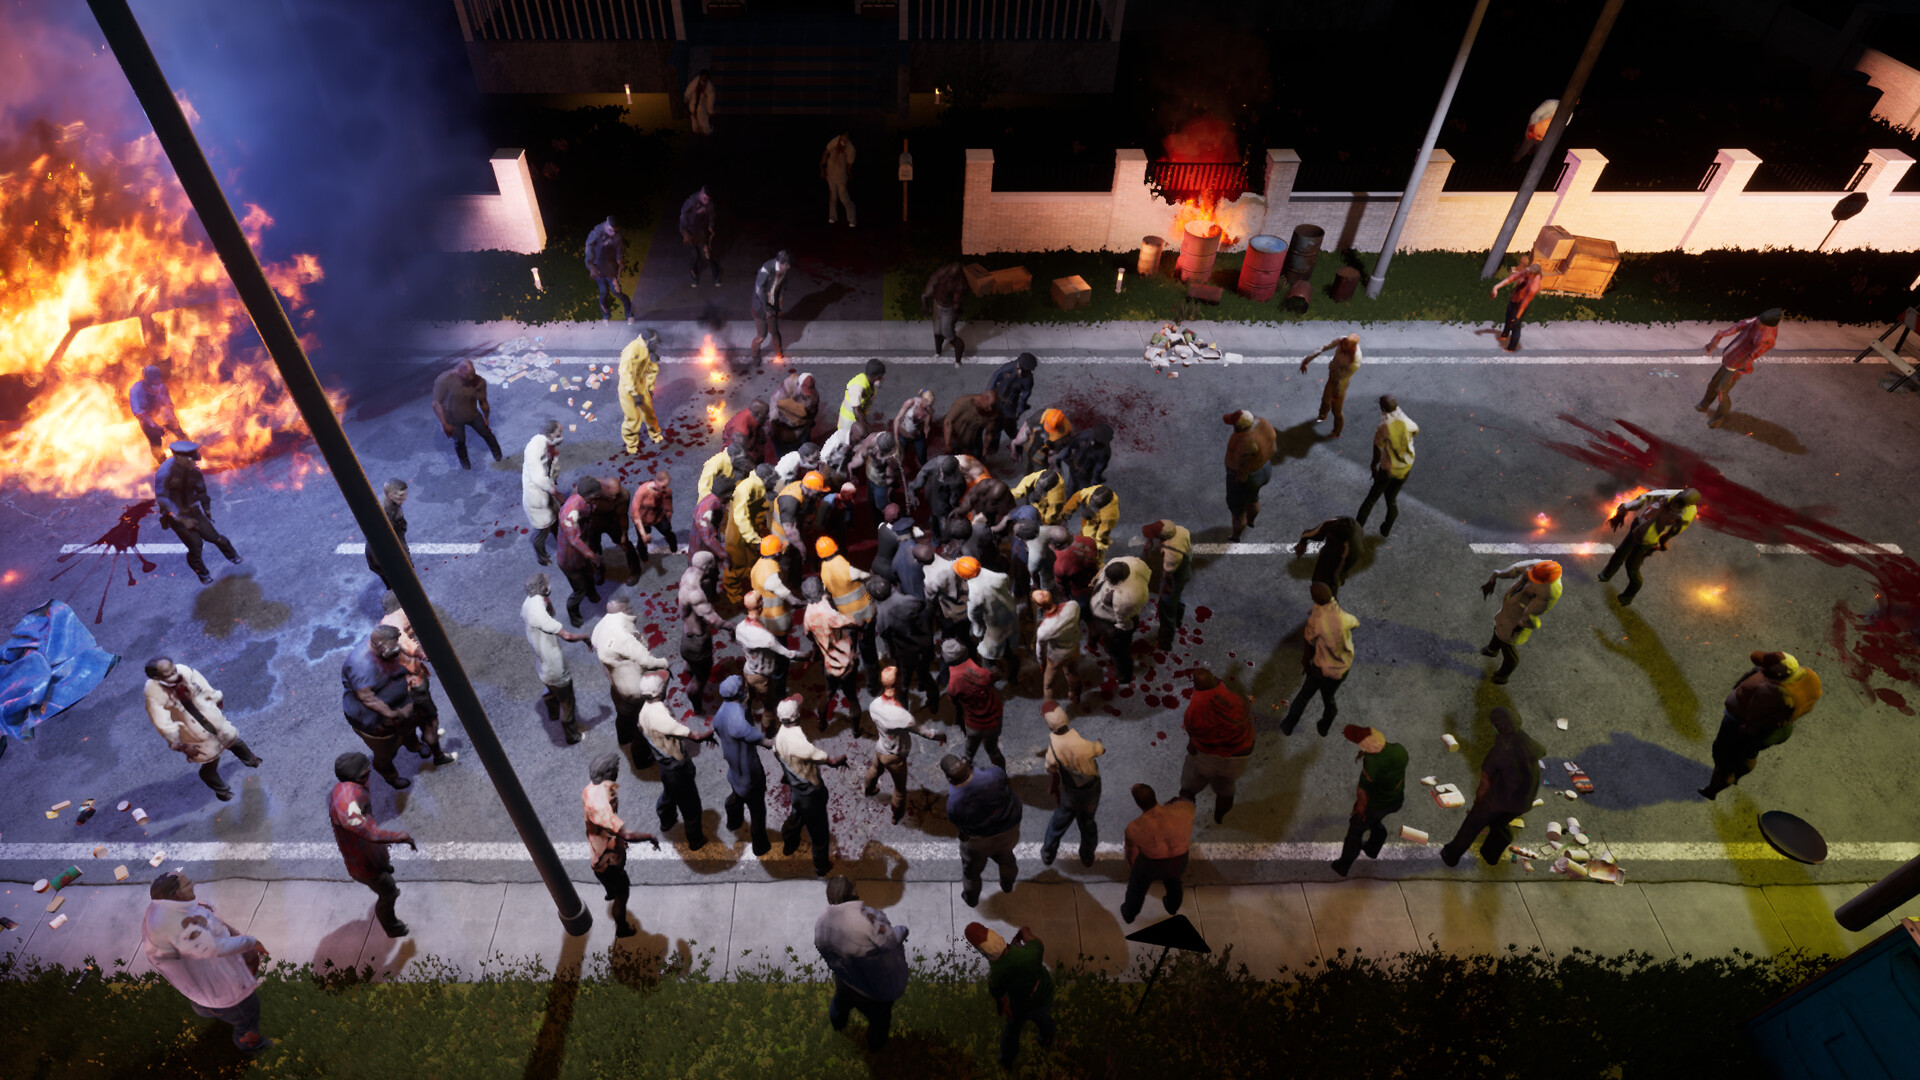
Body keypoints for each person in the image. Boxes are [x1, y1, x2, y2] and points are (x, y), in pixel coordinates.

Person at [142, 870, 272, 1054]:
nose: (193, 885)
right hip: (226, 995)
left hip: (201, 993)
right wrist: (251, 942)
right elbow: (214, 948)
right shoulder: (179, 925)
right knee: (248, 1014)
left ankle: (217, 1014)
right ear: (176, 893)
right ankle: (252, 1045)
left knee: (211, 1007)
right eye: (188, 884)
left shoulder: (159, 910)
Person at [1700, 651, 1823, 799]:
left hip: (1747, 727)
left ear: (1776, 675)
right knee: (1747, 754)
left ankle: (1713, 790)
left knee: (1724, 759)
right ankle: (1738, 772)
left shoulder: (1773, 692)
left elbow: (1755, 716)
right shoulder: (1809, 675)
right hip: (1780, 729)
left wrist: (1746, 729)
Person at [144, 656, 262, 801]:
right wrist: (178, 744)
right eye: (169, 674)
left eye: (174, 670)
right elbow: (162, 723)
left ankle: (251, 760)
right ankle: (222, 790)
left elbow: (204, 686)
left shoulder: (185, 671)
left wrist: (215, 698)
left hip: (210, 717)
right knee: (210, 763)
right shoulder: (154, 694)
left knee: (234, 741)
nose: (175, 675)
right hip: (193, 731)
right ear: (157, 677)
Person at [815, 877, 910, 1051]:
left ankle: (837, 1024)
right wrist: (902, 930)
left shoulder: (821, 923)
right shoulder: (866, 921)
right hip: (874, 991)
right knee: (880, 1021)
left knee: (840, 1003)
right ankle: (875, 1048)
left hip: (845, 981)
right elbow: (889, 940)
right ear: (853, 893)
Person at [1440, 708, 1542, 867]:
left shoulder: (1501, 749)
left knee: (1472, 825)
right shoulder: (1526, 741)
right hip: (1523, 801)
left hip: (1499, 800)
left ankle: (1451, 855)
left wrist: (1479, 799)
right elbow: (1540, 753)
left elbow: (1485, 780)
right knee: (1499, 822)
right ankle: (1490, 854)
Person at [328, 751, 415, 937]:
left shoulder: (350, 787)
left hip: (369, 852)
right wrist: (400, 837)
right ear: (355, 776)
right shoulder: (347, 806)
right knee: (389, 892)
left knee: (384, 868)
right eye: (365, 774)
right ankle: (392, 927)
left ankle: (384, 866)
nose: (369, 776)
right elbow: (370, 833)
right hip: (363, 864)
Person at [583, 752, 660, 937]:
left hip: (601, 851)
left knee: (611, 884)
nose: (618, 770)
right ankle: (622, 928)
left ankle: (610, 891)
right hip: (608, 860)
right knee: (622, 895)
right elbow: (626, 833)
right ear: (607, 773)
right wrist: (649, 836)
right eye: (615, 769)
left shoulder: (591, 788)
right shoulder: (600, 806)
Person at [592, 595, 672, 770]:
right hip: (634, 692)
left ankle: (623, 738)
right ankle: (641, 760)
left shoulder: (599, 628)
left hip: (616, 686)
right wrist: (664, 664)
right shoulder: (623, 636)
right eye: (627, 609)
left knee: (623, 716)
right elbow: (647, 661)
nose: (630, 611)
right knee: (641, 727)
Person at [636, 672, 713, 849]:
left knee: (670, 793)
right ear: (660, 692)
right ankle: (695, 840)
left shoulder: (643, 711)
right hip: (677, 765)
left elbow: (641, 729)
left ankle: (667, 820)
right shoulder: (661, 715)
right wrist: (712, 731)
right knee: (691, 806)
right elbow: (695, 736)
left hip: (664, 764)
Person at [379, 592, 455, 767]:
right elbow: (407, 644)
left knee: (420, 714)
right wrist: (429, 654)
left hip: (400, 682)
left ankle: (426, 734)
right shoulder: (397, 622)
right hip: (411, 684)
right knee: (431, 718)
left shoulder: (385, 622)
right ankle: (438, 755)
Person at [864, 665, 947, 822]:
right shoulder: (902, 716)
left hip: (881, 747)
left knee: (875, 769)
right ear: (899, 682)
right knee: (900, 790)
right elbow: (927, 733)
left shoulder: (874, 704)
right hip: (895, 756)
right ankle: (896, 817)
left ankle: (868, 790)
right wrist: (941, 736)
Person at [775, 697, 848, 876]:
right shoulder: (799, 741)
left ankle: (789, 844)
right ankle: (821, 867)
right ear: (797, 716)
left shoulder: (779, 736)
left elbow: (779, 756)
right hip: (810, 792)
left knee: (796, 817)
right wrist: (839, 761)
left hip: (797, 790)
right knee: (819, 833)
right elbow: (826, 759)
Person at [966, 922, 1055, 1069]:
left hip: (1019, 1007)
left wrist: (1003, 1007)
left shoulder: (997, 974)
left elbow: (999, 994)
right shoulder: (1031, 953)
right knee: (1044, 1020)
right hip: (1044, 996)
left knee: (1012, 1033)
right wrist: (1023, 933)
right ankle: (1046, 1039)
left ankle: (1006, 1061)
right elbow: (1034, 939)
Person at [153, 440, 242, 585]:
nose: (194, 462)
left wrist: (206, 508)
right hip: (176, 516)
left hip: (194, 511)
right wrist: (181, 519)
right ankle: (202, 573)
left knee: (215, 537)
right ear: (179, 457)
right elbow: (162, 498)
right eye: (191, 459)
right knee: (196, 546)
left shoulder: (193, 471)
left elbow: (201, 490)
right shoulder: (165, 473)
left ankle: (232, 556)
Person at [340, 626, 414, 790]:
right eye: (393, 645)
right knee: (386, 752)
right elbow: (367, 698)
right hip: (374, 721)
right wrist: (394, 714)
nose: (397, 647)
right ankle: (391, 777)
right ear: (379, 645)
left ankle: (414, 745)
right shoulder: (361, 664)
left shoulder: (386, 651)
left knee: (409, 729)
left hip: (399, 706)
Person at [943, 753, 1022, 907]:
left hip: (979, 842)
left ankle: (971, 898)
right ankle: (1007, 885)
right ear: (966, 764)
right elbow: (1006, 784)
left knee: (971, 873)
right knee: (1007, 860)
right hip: (1008, 831)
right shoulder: (994, 774)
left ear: (949, 779)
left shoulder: (954, 803)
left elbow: (962, 832)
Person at [1600, 487, 1701, 605]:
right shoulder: (1669, 494)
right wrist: (1626, 508)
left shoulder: (1686, 515)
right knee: (1620, 552)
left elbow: (1674, 531)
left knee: (1632, 567)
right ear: (1678, 494)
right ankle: (1606, 575)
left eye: (1680, 504)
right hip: (1639, 524)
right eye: (1676, 501)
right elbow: (1645, 497)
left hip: (1648, 539)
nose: (1675, 505)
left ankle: (1628, 596)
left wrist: (1663, 542)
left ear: (1688, 505)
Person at [1332, 725, 1408, 877]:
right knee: (1374, 821)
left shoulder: (1372, 763)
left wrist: (1359, 809)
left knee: (1355, 831)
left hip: (1376, 804)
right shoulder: (1399, 750)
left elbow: (1362, 791)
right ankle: (1372, 849)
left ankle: (1343, 865)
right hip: (1395, 800)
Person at [1180, 669, 1253, 823]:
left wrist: (1192, 749)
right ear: (1215, 681)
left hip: (1206, 759)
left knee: (1188, 789)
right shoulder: (1237, 700)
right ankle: (1219, 817)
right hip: (1236, 761)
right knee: (1225, 792)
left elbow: (1191, 743)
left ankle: (1184, 819)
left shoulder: (1193, 711)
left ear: (1195, 685)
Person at [712, 676, 773, 854]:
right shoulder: (738, 720)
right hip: (749, 775)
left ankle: (734, 821)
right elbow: (760, 739)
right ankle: (760, 846)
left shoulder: (721, 713)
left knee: (737, 796)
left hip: (734, 772)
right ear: (741, 692)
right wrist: (776, 741)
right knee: (757, 811)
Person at [523, 572, 588, 743]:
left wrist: (546, 599)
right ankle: (572, 735)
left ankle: (552, 711)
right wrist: (585, 637)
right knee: (568, 701)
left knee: (550, 689)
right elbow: (566, 635)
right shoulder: (541, 617)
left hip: (542, 664)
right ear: (543, 588)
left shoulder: (528, 603)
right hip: (555, 666)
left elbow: (550, 611)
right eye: (547, 583)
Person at [1038, 701, 1103, 867]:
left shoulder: (1054, 749)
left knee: (1058, 822)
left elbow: (1051, 768)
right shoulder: (1082, 743)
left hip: (1071, 793)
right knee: (1088, 823)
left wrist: (1054, 785)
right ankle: (1087, 856)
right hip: (1091, 791)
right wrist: (1099, 744)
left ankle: (1048, 854)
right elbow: (1099, 750)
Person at [1480, 559, 1562, 685]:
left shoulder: (1550, 590)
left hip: (1518, 616)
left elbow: (1533, 612)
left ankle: (1503, 675)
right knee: (1499, 627)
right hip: (1512, 605)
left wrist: (1522, 623)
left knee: (1507, 643)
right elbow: (1516, 569)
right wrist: (1497, 575)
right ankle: (1492, 650)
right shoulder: (1537, 567)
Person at [1121, 784, 1194, 924]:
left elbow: (1131, 852)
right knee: (1174, 882)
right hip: (1178, 859)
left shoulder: (1134, 828)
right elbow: (1188, 803)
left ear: (1138, 805)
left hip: (1151, 864)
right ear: (1155, 796)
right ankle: (1172, 907)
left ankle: (1129, 914)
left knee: (1136, 889)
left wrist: (1133, 869)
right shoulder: (1183, 811)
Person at [1700, 308, 1783, 429]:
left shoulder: (1766, 339)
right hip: (1730, 357)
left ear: (1768, 325)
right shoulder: (1757, 320)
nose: (1757, 322)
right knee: (1714, 383)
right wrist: (1720, 335)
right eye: (1758, 319)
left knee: (1722, 391)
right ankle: (1704, 404)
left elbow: (1752, 356)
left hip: (1736, 364)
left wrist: (1742, 371)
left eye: (1760, 322)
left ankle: (1719, 418)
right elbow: (1739, 326)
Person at [873, 576, 941, 710]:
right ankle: (934, 703)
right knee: (925, 675)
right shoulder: (908, 600)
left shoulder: (882, 614)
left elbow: (884, 634)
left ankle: (903, 709)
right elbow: (921, 605)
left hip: (904, 651)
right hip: (923, 643)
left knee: (903, 682)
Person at [739, 593, 803, 733]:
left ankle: (744, 720)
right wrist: (806, 656)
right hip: (761, 677)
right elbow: (788, 654)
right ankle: (768, 735)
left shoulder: (740, 627)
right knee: (769, 710)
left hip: (748, 670)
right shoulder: (765, 635)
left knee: (747, 698)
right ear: (760, 605)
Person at [803, 576, 864, 722]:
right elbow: (857, 622)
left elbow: (809, 635)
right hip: (846, 663)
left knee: (829, 692)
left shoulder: (808, 614)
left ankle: (822, 722)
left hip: (829, 664)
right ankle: (856, 729)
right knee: (852, 698)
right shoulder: (829, 613)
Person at [1356, 396, 1418, 538]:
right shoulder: (1405, 419)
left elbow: (1377, 448)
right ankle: (1386, 529)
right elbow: (1415, 430)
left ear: (1383, 408)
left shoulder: (1385, 425)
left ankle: (1356, 532)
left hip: (1388, 470)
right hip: (1405, 469)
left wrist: (1373, 466)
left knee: (1370, 500)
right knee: (1391, 500)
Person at [677, 551, 728, 715]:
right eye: (714, 565)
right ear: (706, 567)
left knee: (693, 666)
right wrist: (732, 627)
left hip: (687, 638)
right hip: (697, 644)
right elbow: (714, 620)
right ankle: (696, 705)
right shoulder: (695, 593)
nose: (717, 569)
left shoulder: (688, 574)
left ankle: (690, 669)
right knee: (701, 677)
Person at [1089, 556, 1151, 685]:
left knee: (1119, 652)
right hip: (1119, 612)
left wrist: (1116, 632)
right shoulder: (1130, 563)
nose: (1105, 580)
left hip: (1116, 622)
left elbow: (1123, 623)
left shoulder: (1124, 599)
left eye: (1109, 580)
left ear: (1119, 580)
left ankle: (1124, 676)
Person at [431, 359, 501, 470]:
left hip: (472, 414)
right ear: (460, 371)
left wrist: (486, 418)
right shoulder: (445, 380)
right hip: (453, 418)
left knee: (487, 433)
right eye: (468, 375)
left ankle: (497, 453)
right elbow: (436, 403)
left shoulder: (478, 381)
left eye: (473, 374)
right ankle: (465, 462)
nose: (471, 378)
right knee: (459, 441)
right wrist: (444, 423)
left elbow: (483, 401)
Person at [960, 555, 1019, 685]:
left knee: (987, 654)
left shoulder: (974, 592)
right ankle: (1013, 676)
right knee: (1009, 650)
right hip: (1009, 616)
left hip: (992, 625)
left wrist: (978, 631)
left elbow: (974, 615)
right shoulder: (998, 576)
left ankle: (989, 679)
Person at [725, 464, 776, 604]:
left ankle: (748, 582)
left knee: (750, 559)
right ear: (765, 479)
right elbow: (740, 518)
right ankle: (733, 594)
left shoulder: (755, 484)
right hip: (738, 534)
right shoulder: (746, 489)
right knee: (737, 565)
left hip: (748, 530)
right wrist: (754, 539)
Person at [557, 477, 604, 626]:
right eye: (595, 497)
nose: (597, 499)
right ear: (588, 496)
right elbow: (574, 540)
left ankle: (592, 594)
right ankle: (573, 612)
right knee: (579, 590)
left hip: (582, 553)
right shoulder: (569, 512)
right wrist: (593, 556)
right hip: (569, 558)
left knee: (589, 575)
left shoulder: (585, 500)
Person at [1223, 409, 1276, 541]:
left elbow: (1241, 466)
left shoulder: (1245, 441)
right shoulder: (1263, 424)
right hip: (1264, 469)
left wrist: (1239, 479)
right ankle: (1251, 522)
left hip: (1247, 478)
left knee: (1238, 513)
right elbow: (1273, 447)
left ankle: (1236, 536)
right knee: (1253, 499)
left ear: (1239, 427)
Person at [1141, 519, 1194, 650]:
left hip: (1175, 577)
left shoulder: (1171, 552)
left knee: (1166, 609)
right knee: (1177, 598)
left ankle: (1165, 642)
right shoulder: (1181, 530)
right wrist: (1151, 540)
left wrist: (1168, 589)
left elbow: (1168, 575)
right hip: (1185, 568)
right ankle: (1178, 620)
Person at [1300, 334, 1362, 437]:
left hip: (1341, 382)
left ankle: (1336, 432)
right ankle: (1322, 416)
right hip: (1332, 376)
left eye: (1346, 345)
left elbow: (1344, 379)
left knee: (1336, 410)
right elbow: (1324, 347)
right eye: (1344, 343)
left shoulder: (1355, 360)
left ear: (1352, 347)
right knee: (1325, 399)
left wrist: (1337, 394)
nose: (1343, 346)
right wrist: (1307, 360)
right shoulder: (1341, 340)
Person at [1031, 589, 1084, 704]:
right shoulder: (1073, 606)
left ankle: (1049, 707)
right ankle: (1075, 696)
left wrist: (1042, 663)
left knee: (1048, 686)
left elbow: (1040, 649)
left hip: (1056, 657)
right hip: (1074, 648)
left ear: (1038, 606)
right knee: (1072, 673)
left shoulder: (1044, 629)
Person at [522, 420, 564, 565]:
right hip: (537, 499)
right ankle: (542, 556)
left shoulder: (549, 445)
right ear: (550, 435)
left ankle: (562, 544)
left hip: (547, 494)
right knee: (542, 531)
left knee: (556, 521)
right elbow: (539, 478)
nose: (561, 436)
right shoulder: (534, 449)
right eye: (558, 433)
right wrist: (556, 493)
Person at [129, 364, 187, 466]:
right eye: (153, 381)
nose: (156, 384)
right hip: (147, 419)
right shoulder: (136, 390)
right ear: (147, 380)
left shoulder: (161, 386)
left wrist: (173, 420)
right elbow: (139, 414)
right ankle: (163, 464)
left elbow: (168, 404)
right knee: (155, 441)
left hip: (162, 414)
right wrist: (154, 426)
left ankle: (190, 454)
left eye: (157, 379)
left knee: (180, 433)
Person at [617, 330, 662, 452]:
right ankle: (631, 445)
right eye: (654, 344)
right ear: (647, 341)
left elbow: (652, 370)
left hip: (641, 386)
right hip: (627, 390)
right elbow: (624, 373)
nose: (655, 347)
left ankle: (655, 435)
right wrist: (634, 393)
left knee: (649, 413)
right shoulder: (632, 349)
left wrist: (650, 388)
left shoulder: (648, 351)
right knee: (633, 418)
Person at [1294, 515, 1361, 596]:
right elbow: (1309, 534)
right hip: (1337, 549)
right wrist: (1303, 542)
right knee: (1323, 578)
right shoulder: (1331, 524)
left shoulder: (1351, 551)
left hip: (1342, 557)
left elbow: (1337, 571)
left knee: (1328, 580)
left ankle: (1330, 591)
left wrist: (1332, 586)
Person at [985, 352, 1038, 455]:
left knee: (1011, 429)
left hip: (1010, 406)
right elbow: (996, 376)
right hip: (997, 401)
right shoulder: (1010, 367)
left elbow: (1024, 396)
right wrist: (989, 393)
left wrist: (1019, 411)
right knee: (995, 427)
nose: (1026, 372)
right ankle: (993, 447)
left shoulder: (1028, 380)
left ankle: (1018, 445)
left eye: (1028, 371)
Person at [584, 215, 633, 321]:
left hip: (610, 268)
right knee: (603, 292)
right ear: (606, 225)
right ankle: (606, 315)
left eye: (615, 231)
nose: (613, 233)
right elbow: (588, 249)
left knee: (616, 292)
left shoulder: (617, 236)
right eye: (610, 230)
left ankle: (629, 313)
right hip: (598, 269)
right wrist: (591, 266)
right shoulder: (596, 233)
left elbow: (619, 249)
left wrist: (619, 261)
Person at [1489, 260, 1544, 352]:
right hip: (1514, 299)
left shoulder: (1534, 286)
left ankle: (1511, 348)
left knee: (1515, 325)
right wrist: (1496, 287)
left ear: (1533, 275)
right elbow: (1512, 278)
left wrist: (1517, 316)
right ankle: (1504, 335)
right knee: (1508, 317)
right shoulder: (1527, 271)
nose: (1526, 273)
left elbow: (1525, 302)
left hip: (1521, 305)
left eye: (1529, 273)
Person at [851, 431, 909, 516]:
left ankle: (893, 516)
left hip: (881, 482)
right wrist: (854, 466)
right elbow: (859, 455)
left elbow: (891, 477)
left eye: (882, 452)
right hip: (870, 476)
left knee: (882, 505)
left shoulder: (896, 456)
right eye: (878, 448)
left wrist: (886, 485)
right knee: (871, 500)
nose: (877, 453)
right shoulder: (871, 439)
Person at [922, 261, 970, 363]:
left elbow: (957, 304)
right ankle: (938, 352)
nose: (948, 278)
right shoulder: (944, 272)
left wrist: (953, 320)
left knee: (948, 335)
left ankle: (958, 361)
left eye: (951, 277)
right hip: (937, 305)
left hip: (947, 310)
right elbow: (933, 281)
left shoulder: (960, 285)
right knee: (937, 332)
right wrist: (925, 297)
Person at [751, 250, 792, 367]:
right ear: (780, 263)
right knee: (761, 336)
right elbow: (759, 291)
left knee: (775, 332)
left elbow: (783, 288)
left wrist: (779, 305)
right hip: (760, 308)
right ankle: (756, 357)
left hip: (772, 306)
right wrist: (766, 309)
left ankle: (779, 353)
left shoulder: (784, 271)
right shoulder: (766, 270)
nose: (789, 267)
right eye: (787, 265)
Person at [910, 454, 968, 531]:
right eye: (942, 472)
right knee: (937, 516)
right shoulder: (936, 463)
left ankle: (940, 532)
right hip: (933, 493)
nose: (942, 477)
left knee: (938, 516)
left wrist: (953, 503)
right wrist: (913, 490)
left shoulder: (957, 480)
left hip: (942, 499)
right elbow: (922, 473)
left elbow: (954, 497)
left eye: (945, 475)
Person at [771, 371, 821, 457]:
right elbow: (774, 408)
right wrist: (776, 427)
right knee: (782, 453)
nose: (804, 395)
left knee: (804, 449)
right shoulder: (787, 386)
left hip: (800, 429)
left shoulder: (813, 397)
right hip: (782, 426)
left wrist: (806, 426)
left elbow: (812, 414)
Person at [1062, 484, 1118, 555]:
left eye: (1095, 503)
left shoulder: (1109, 514)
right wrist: (1066, 512)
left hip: (1101, 518)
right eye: (1092, 500)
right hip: (1095, 512)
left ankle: (1095, 554)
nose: (1092, 503)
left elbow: (1103, 533)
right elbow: (1076, 497)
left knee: (1093, 540)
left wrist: (1097, 546)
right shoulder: (1089, 492)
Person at [679, 186, 719, 287]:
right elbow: (683, 215)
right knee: (694, 256)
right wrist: (685, 232)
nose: (706, 202)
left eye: (708, 200)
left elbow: (711, 216)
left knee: (707, 257)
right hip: (689, 232)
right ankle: (694, 278)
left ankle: (716, 276)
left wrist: (710, 226)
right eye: (705, 199)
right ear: (701, 193)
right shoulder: (692, 201)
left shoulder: (709, 205)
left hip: (701, 232)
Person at [943, 390, 998, 461]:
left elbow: (989, 433)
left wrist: (985, 450)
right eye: (987, 406)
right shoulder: (963, 403)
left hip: (974, 439)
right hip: (956, 436)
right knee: (951, 460)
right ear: (981, 400)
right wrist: (947, 443)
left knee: (977, 459)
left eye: (992, 406)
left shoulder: (993, 412)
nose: (990, 409)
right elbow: (948, 422)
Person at [1059, 424, 1114, 491]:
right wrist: (1068, 460)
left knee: (1083, 491)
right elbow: (1070, 445)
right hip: (1074, 467)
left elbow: (1097, 471)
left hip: (1086, 475)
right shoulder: (1085, 435)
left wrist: (1093, 484)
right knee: (1071, 487)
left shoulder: (1104, 453)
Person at [892, 389, 937, 468]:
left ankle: (926, 470)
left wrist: (926, 430)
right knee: (900, 456)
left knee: (922, 457)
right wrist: (896, 439)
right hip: (904, 434)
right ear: (922, 398)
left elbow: (927, 423)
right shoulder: (911, 403)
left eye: (929, 405)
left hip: (917, 437)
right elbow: (897, 420)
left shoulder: (928, 410)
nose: (927, 406)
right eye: (926, 403)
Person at [839, 358, 886, 431]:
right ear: (877, 377)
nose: (883, 378)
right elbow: (857, 413)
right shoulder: (858, 387)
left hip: (858, 417)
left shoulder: (869, 381)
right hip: (849, 423)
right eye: (881, 376)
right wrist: (868, 429)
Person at [721, 398, 770, 466]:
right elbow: (739, 458)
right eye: (765, 414)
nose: (768, 417)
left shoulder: (751, 415)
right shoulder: (741, 430)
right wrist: (755, 470)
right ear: (757, 414)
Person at [822, 133, 857, 227]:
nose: (843, 142)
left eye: (845, 141)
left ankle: (852, 218)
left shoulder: (851, 149)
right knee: (832, 197)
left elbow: (849, 166)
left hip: (841, 177)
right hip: (831, 174)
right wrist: (823, 167)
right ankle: (832, 216)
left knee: (844, 198)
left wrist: (849, 175)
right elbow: (826, 152)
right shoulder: (835, 141)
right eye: (842, 140)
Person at [684, 69, 715, 136]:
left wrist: (710, 112)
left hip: (702, 111)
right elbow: (687, 94)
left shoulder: (709, 88)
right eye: (702, 77)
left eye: (705, 78)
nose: (703, 80)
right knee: (695, 129)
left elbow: (710, 102)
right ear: (700, 77)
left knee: (706, 130)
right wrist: (687, 108)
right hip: (693, 108)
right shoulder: (695, 82)